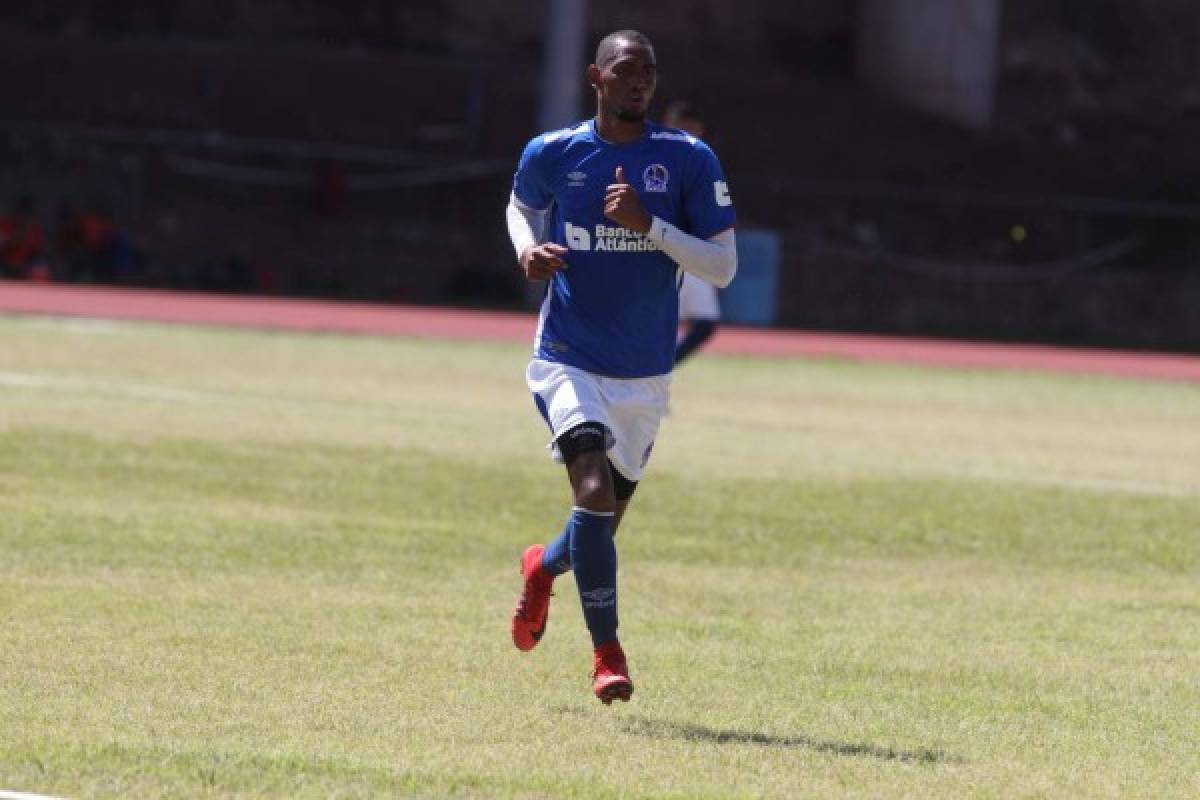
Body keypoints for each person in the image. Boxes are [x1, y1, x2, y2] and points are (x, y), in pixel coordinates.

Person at [505, 30, 737, 704]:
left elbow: (722, 266)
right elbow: (521, 206)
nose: (641, 82)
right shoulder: (554, 151)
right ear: (596, 77)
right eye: (627, 70)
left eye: (650, 72)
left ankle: (542, 567)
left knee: (598, 526)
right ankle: (607, 654)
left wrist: (649, 226)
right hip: (567, 357)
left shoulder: (688, 159)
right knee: (591, 493)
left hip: (644, 372)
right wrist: (526, 250)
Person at [663, 100, 724, 364]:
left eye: (692, 129)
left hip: (691, 250)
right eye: (681, 128)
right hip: (658, 248)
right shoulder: (652, 157)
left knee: (705, 323)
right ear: (668, 126)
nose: (686, 135)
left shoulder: (703, 161)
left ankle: (662, 366)